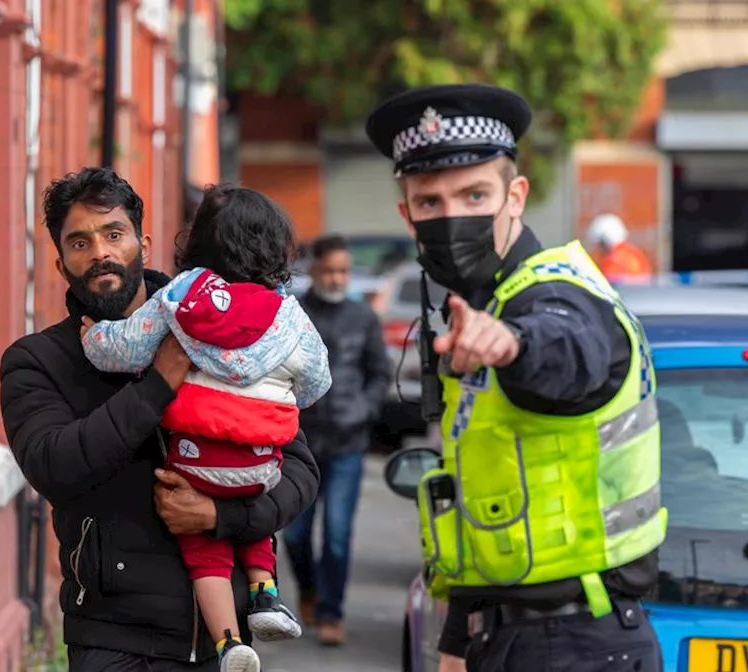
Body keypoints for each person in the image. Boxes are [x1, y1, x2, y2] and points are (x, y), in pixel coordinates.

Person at [364, 84, 665, 671]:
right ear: (408, 215)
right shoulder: (485, 304)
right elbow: (489, 496)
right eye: (430, 203)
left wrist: (513, 345)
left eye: (475, 194)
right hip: (513, 638)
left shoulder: (553, 296)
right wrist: (455, 642)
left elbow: (567, 350)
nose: (453, 217)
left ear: (515, 196)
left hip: (581, 643)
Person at [0, 167, 321, 672]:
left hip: (222, 638)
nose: (100, 252)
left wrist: (222, 518)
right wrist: (159, 381)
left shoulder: (213, 324)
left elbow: (299, 469)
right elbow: (54, 465)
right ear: (62, 264)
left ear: (142, 242)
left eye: (113, 234)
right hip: (116, 640)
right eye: (79, 242)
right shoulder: (38, 360)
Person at [80, 185, 332, 672]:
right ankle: (266, 596)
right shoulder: (288, 315)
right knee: (253, 509)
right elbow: (317, 380)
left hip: (196, 464)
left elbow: (126, 349)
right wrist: (277, 395)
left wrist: (93, 338)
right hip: (259, 463)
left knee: (206, 554)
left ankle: (228, 643)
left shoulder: (181, 296)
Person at [282, 234, 391, 646]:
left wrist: (362, 409)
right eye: (329, 269)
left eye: (343, 270)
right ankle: (309, 591)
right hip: (299, 443)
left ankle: (331, 613)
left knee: (338, 535)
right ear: (313, 270)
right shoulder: (293, 314)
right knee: (294, 535)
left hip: (347, 444)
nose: (336, 277)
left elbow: (379, 375)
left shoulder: (362, 317)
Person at [584, 213, 654, 284]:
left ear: (604, 242)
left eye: (599, 245)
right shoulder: (636, 255)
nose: (598, 249)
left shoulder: (612, 261)